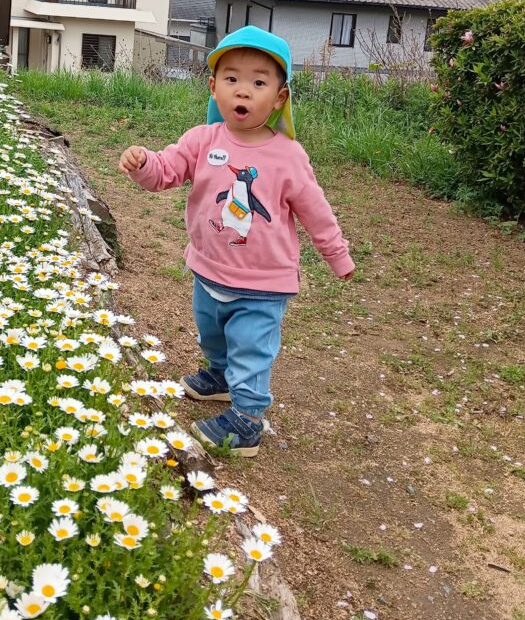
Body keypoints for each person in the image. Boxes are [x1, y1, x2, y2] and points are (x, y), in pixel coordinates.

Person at [119, 26, 354, 457]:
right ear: (213, 87)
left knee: (251, 348)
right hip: (208, 269)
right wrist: (143, 163)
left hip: (263, 284)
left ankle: (247, 419)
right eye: (231, 79)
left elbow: (314, 209)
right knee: (212, 333)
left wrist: (336, 254)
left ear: (280, 97)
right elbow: (165, 172)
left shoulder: (288, 156)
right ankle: (220, 376)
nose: (242, 91)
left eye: (259, 82)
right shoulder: (201, 141)